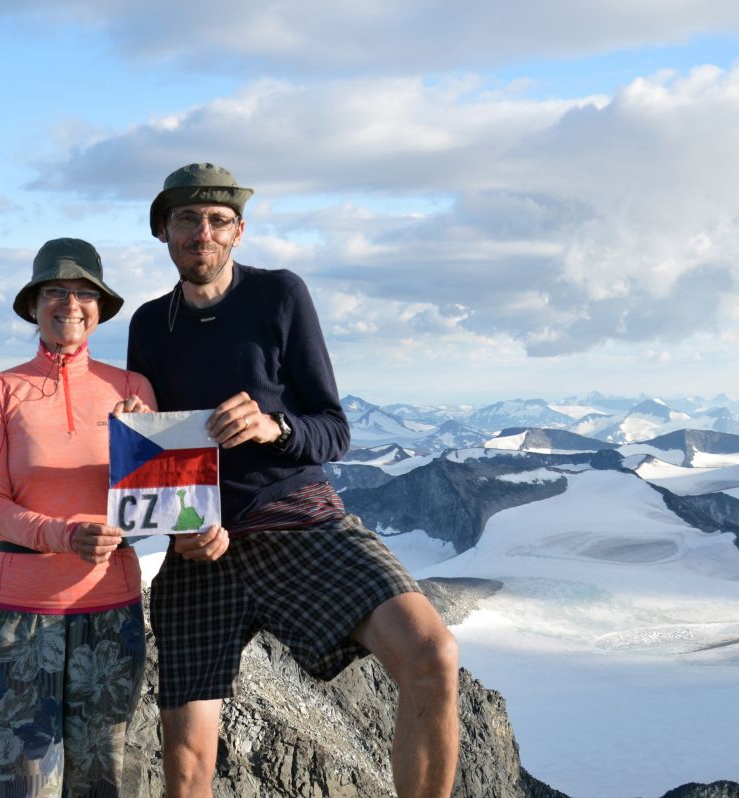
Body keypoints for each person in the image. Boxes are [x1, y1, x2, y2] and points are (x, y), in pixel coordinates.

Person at [127, 164, 460, 798]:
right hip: (204, 544)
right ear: (163, 232)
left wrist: (273, 427)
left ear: (239, 231)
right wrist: (183, 530)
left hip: (299, 518)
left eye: (218, 220)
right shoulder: (148, 325)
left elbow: (334, 429)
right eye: (188, 220)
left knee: (432, 657)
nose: (204, 232)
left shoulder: (279, 295)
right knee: (188, 761)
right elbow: (154, 445)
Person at [0, 238, 156, 797]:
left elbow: (148, 510)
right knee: (11, 783)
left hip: (111, 611)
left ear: (100, 307)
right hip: (21, 612)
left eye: (85, 293)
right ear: (33, 305)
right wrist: (64, 534)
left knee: (100, 782)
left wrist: (141, 447)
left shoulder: (132, 389)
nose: (71, 303)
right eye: (56, 291)